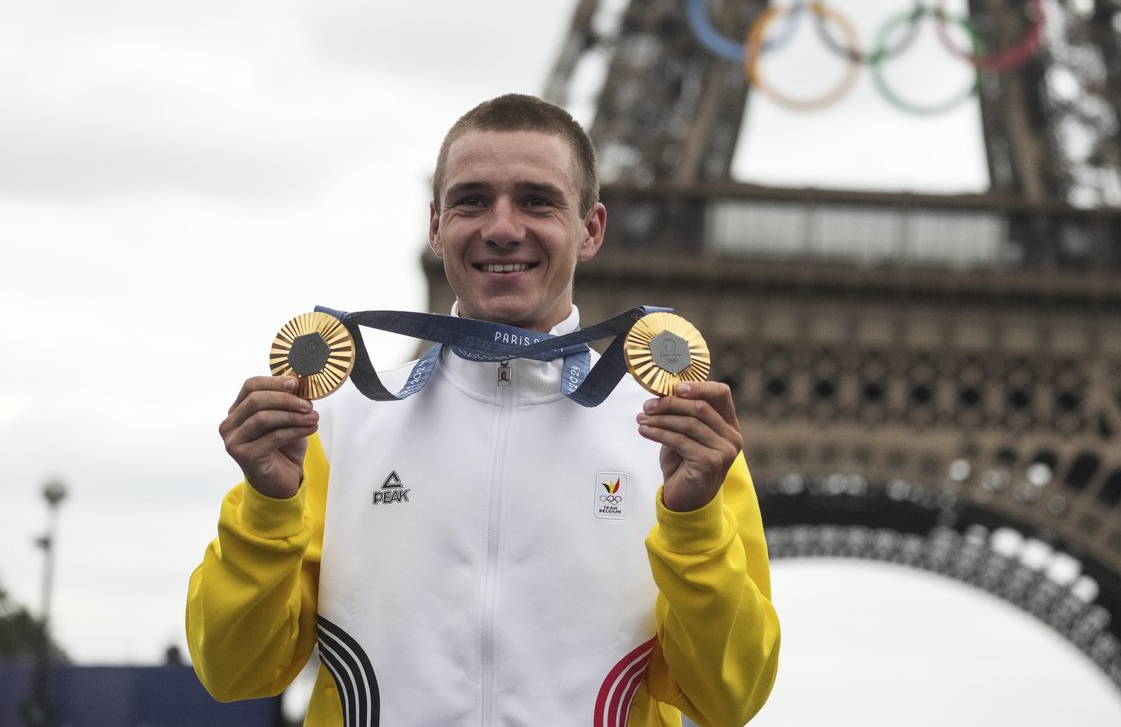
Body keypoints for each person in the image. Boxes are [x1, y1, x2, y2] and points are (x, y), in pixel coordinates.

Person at [187, 94, 779, 726]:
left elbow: (729, 699)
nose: (502, 226)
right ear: (436, 225)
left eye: (536, 200)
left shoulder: (675, 441)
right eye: (472, 200)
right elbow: (233, 672)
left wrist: (691, 525)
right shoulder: (335, 425)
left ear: (592, 229)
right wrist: (266, 509)